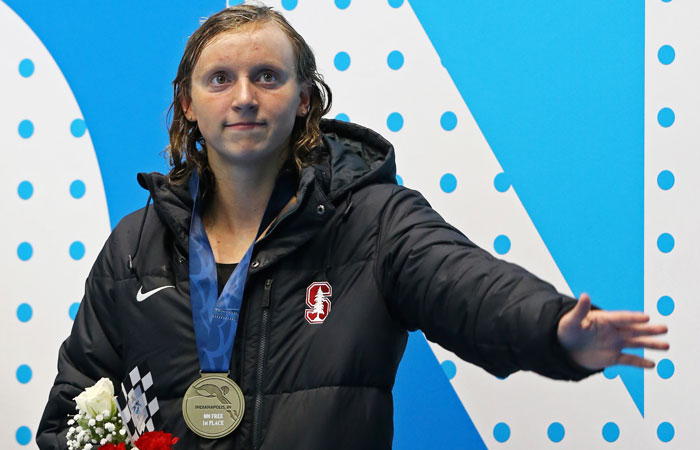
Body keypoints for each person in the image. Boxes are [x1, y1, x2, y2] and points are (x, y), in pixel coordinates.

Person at [37, 4, 668, 450]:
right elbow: (70, 414)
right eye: (220, 79)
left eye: (268, 76)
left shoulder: (372, 219)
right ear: (187, 104)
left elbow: (466, 283)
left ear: (305, 97)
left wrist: (553, 327)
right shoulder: (133, 245)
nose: (245, 97)